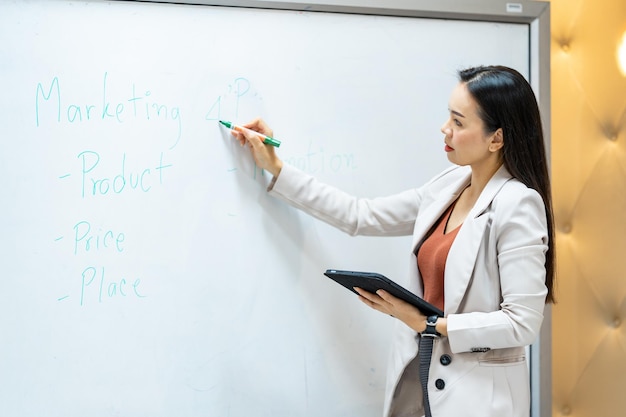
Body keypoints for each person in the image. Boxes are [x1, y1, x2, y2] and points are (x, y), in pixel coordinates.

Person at [230, 65, 555, 417]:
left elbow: (521, 323)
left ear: (497, 138)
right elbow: (360, 215)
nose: (445, 128)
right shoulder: (448, 185)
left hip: (480, 401)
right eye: (449, 116)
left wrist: (429, 324)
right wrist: (277, 167)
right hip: (419, 386)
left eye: (459, 122)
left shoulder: (517, 204)